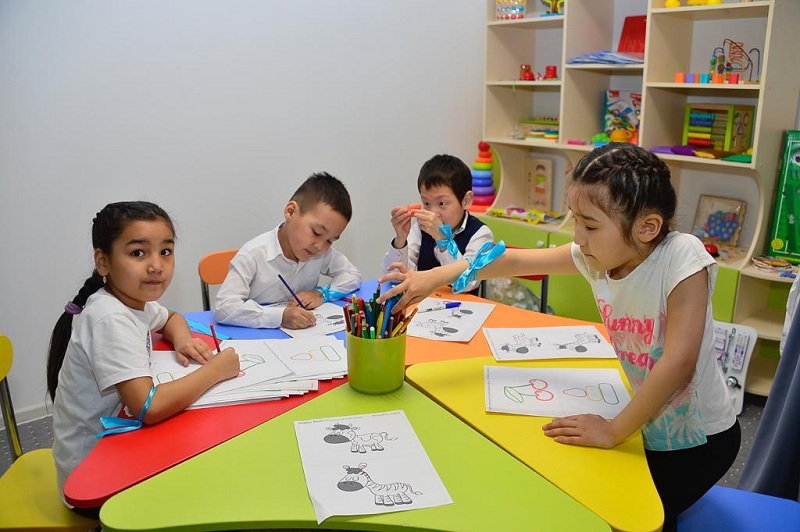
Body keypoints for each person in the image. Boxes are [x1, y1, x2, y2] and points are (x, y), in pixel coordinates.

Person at [379, 143, 741, 531]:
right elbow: (510, 259)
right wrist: (433, 277)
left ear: (647, 227)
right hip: (644, 425)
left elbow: (678, 361)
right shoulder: (597, 255)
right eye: (576, 221)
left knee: (637, 520)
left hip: (701, 440)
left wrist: (614, 430)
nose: (578, 237)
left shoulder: (682, 255)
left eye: (590, 225)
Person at [47, 201, 241, 514]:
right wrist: (215, 371)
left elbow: (171, 318)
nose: (156, 265)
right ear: (103, 262)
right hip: (92, 477)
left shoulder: (132, 300)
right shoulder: (109, 317)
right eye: (138, 253)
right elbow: (148, 407)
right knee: (210, 477)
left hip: (119, 445)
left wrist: (183, 339)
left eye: (165, 251)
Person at [215, 172, 361, 329]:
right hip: (258, 336)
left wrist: (321, 294)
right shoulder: (253, 255)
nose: (320, 246)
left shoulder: (321, 253)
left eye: (330, 240)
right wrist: (279, 317)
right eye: (317, 232)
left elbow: (352, 275)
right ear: (291, 211)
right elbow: (225, 307)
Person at [382, 154, 494, 294]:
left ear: (466, 201)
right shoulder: (420, 229)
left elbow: (467, 283)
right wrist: (400, 240)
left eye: (442, 203)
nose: (433, 213)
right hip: (422, 303)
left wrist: (442, 240)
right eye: (426, 203)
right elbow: (395, 278)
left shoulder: (481, 233)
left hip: (463, 305)